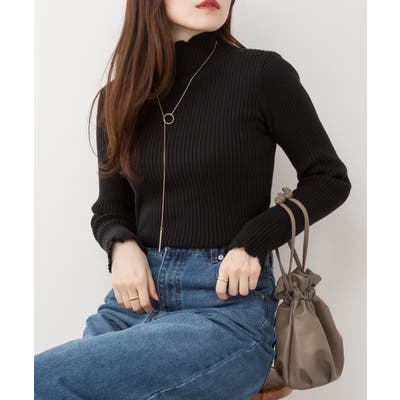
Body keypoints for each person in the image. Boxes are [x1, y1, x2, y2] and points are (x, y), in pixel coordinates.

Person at [34, 0, 352, 399]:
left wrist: (252, 242)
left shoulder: (262, 75)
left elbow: (329, 179)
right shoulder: (116, 99)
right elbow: (110, 208)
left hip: (226, 310)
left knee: (37, 379)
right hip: (133, 306)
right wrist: (121, 244)